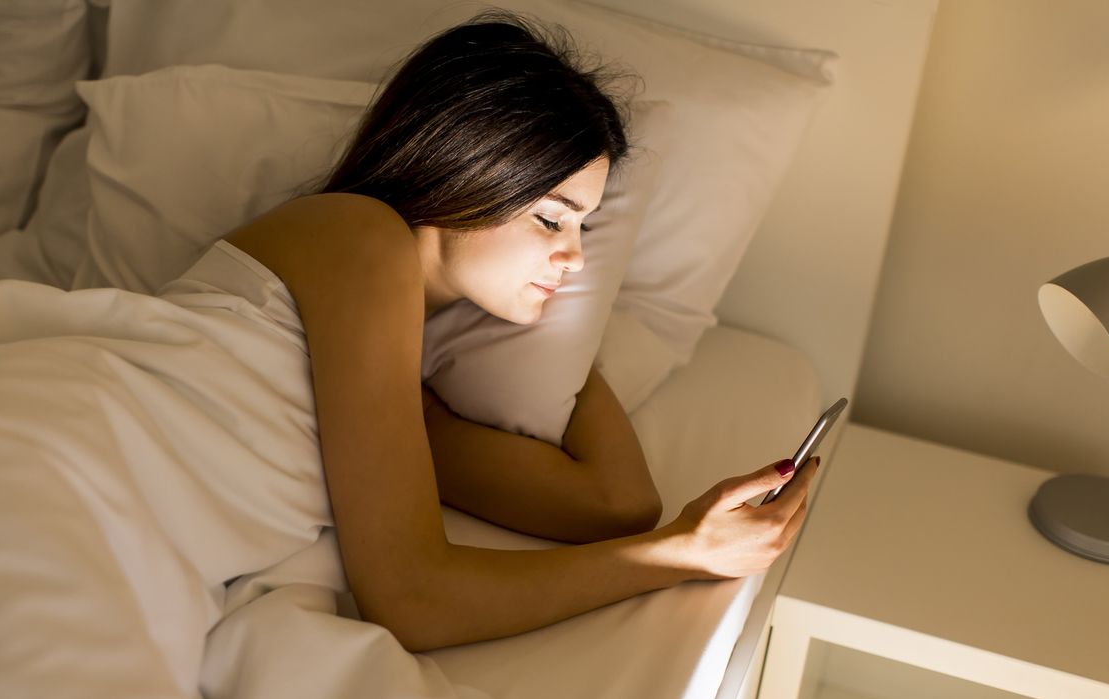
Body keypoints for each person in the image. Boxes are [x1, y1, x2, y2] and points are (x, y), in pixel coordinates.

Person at [226, 11, 819, 654]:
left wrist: (563, 351)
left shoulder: (405, 392)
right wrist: (679, 555)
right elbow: (413, 599)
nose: (578, 260)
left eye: (584, 227)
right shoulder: (356, 235)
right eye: (549, 220)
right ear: (463, 170)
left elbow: (616, 504)